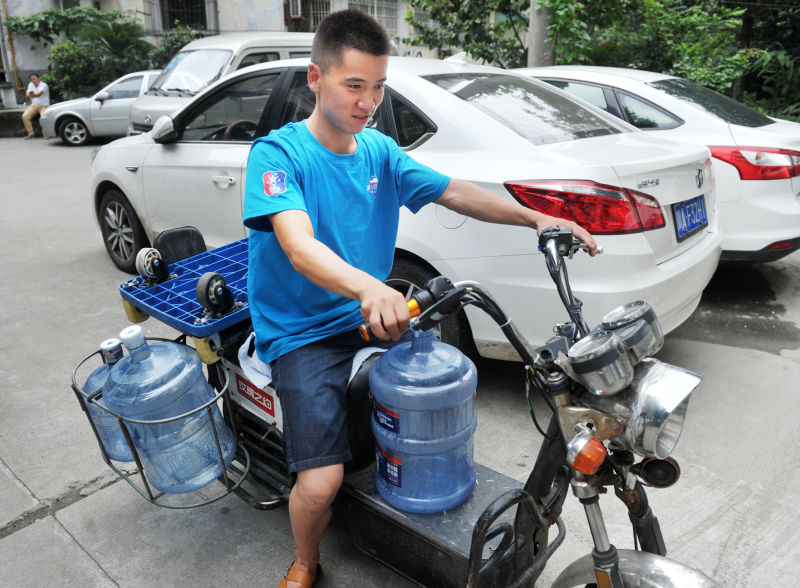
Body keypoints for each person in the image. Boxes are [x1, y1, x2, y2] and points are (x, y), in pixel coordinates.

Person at [242, 9, 597, 588]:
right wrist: (367, 286)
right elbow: (297, 243)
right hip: (303, 330)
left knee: (434, 398)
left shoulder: (380, 152)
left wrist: (536, 218)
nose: (368, 101)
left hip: (373, 310)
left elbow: (454, 191)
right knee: (321, 483)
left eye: (378, 87)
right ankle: (306, 561)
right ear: (316, 79)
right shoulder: (278, 155)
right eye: (353, 85)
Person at [22, 73, 50, 139]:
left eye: (35, 79)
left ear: (38, 78)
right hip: (34, 106)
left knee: (44, 117)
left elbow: (39, 94)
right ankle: (31, 133)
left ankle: (46, 133)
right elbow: (27, 95)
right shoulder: (30, 85)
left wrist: (32, 95)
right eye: (32, 79)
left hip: (44, 106)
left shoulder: (44, 85)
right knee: (25, 116)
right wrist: (33, 95)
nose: (33, 81)